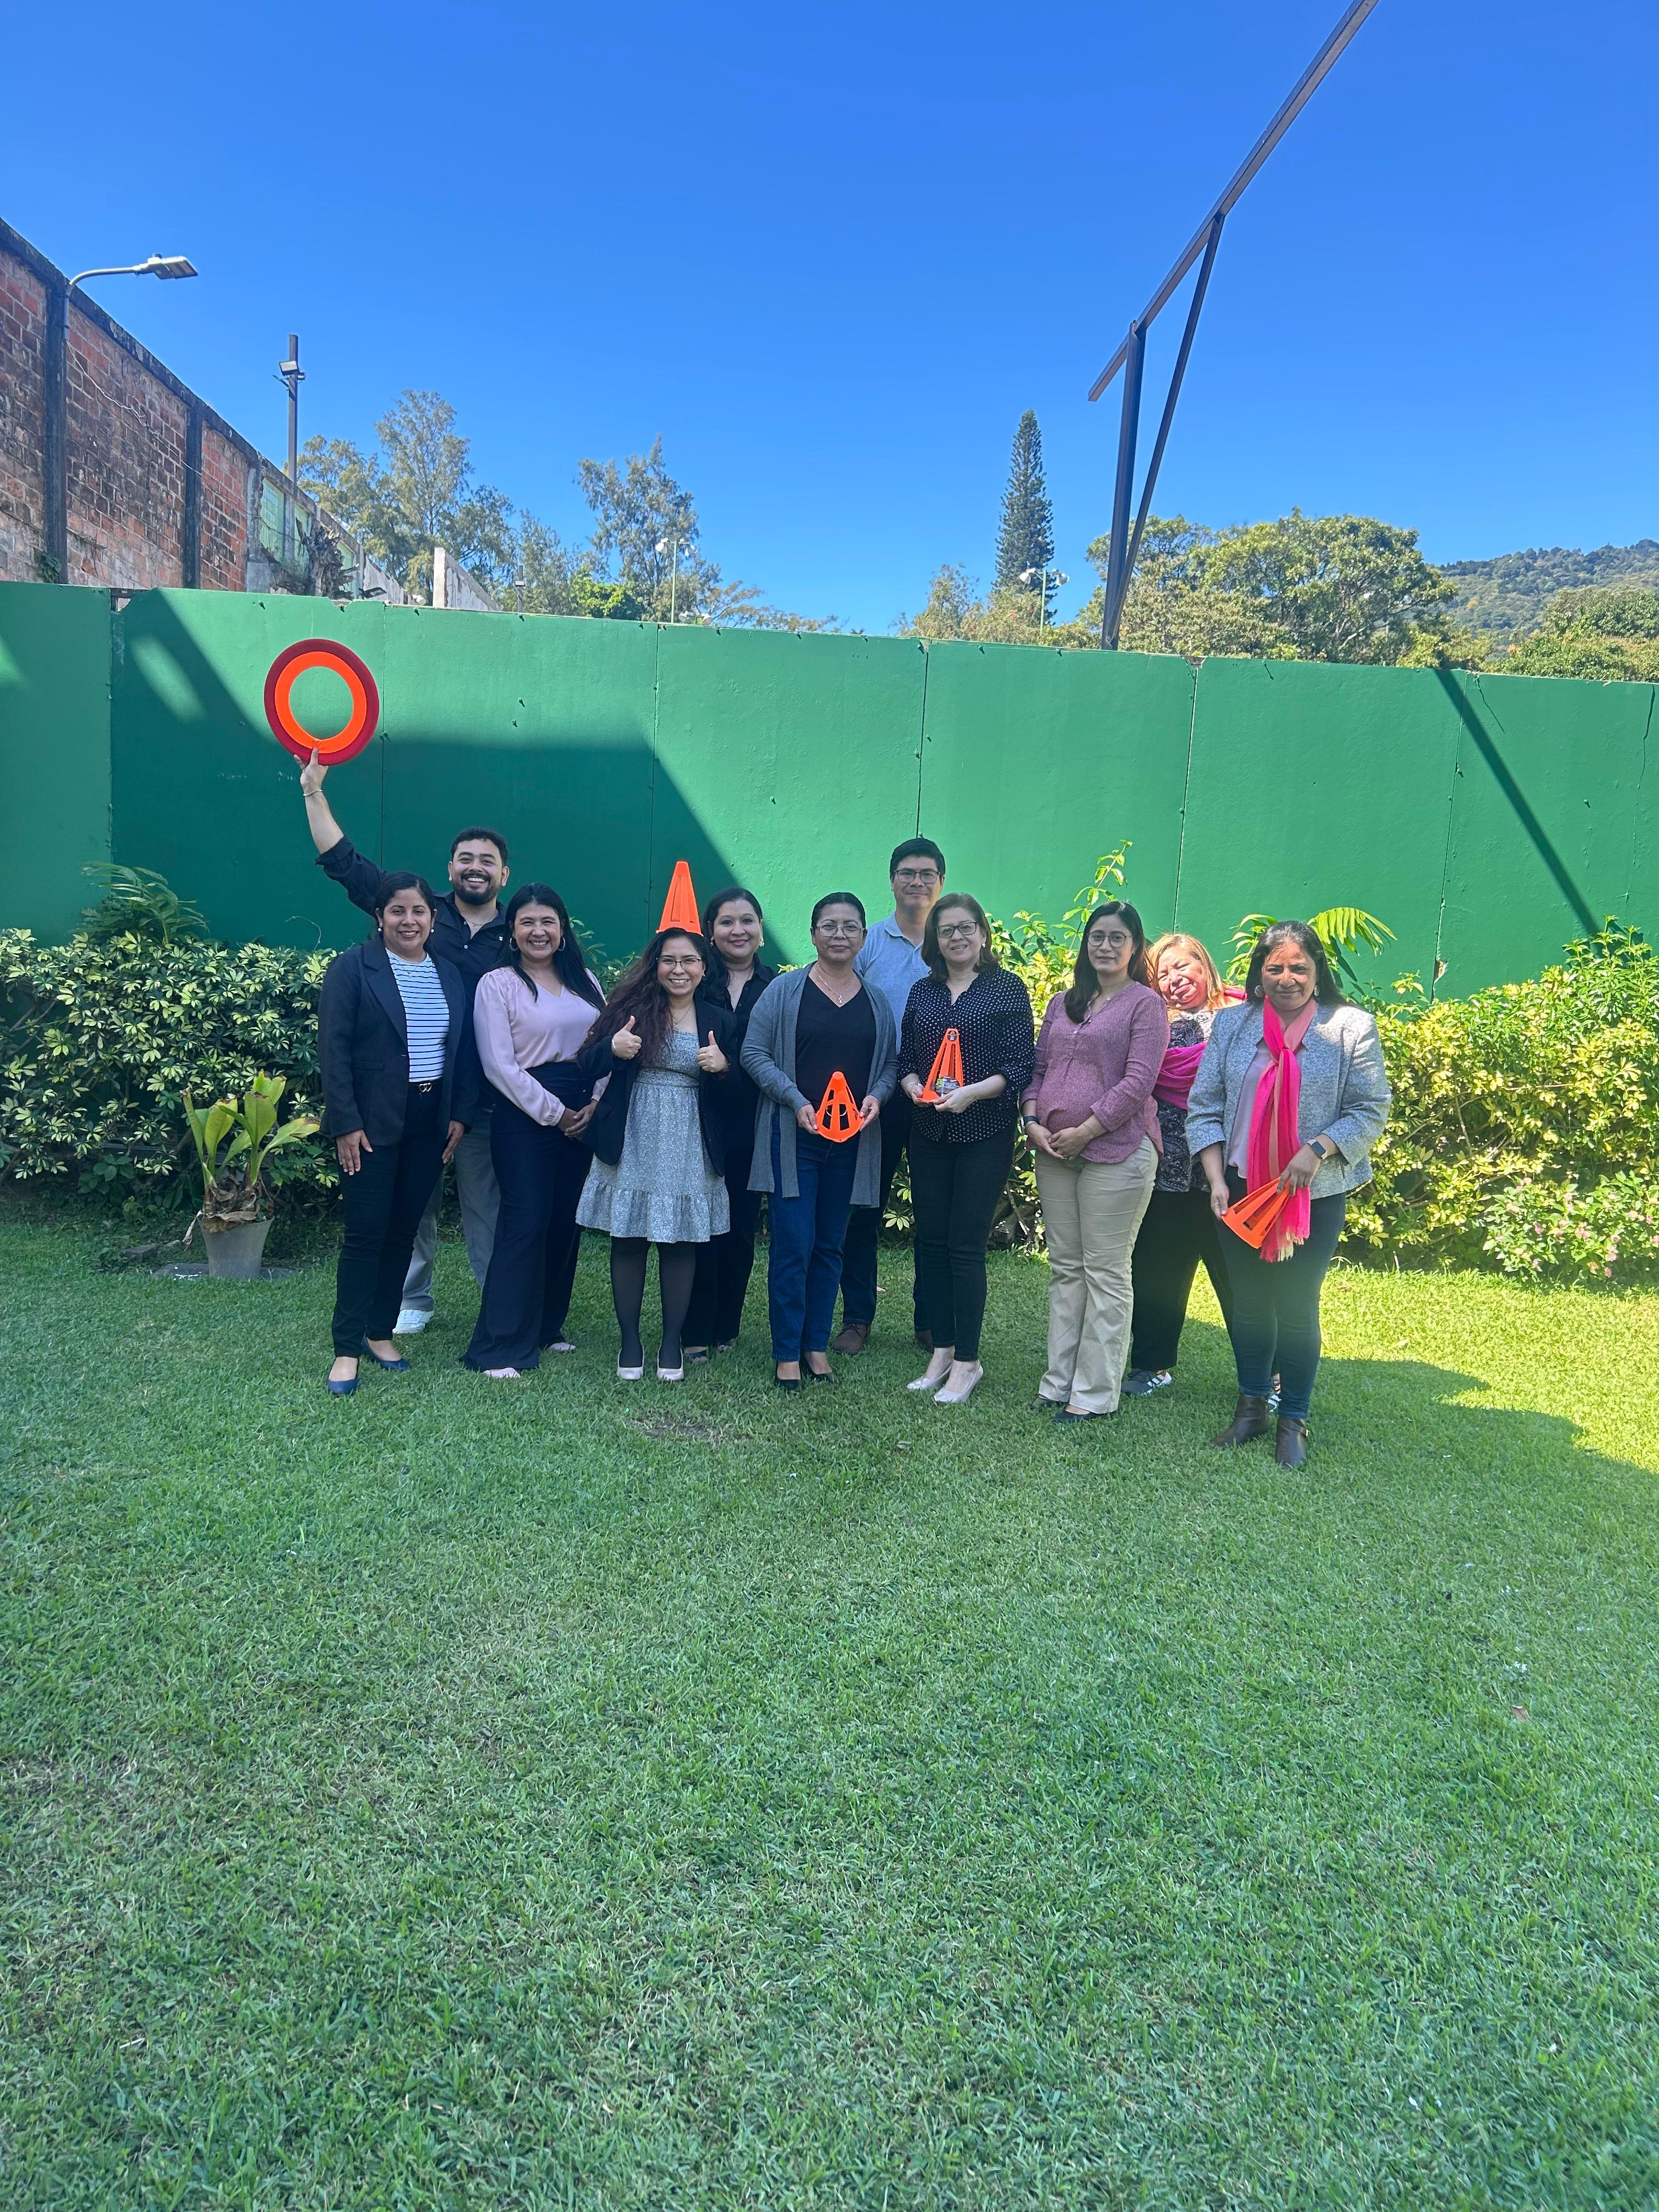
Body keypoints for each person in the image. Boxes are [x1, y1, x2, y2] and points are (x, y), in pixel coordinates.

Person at [299, 747, 510, 1335]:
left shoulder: (518, 928)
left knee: (486, 1207)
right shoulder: (415, 910)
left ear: (503, 874)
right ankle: (410, 1299)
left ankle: (498, 1304)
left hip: (482, 1097)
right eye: (465, 859)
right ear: (450, 869)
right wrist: (313, 790)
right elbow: (344, 863)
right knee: (410, 1207)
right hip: (406, 1100)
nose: (475, 868)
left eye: (487, 861)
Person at [1188, 919, 1391, 1468]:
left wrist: (1318, 1148)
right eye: (1274, 967)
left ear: (1317, 971)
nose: (1287, 978)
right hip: (1239, 1190)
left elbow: (1370, 1108)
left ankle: (1294, 1419)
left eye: (1299, 967)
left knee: (1297, 1306)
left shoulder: (1349, 1027)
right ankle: (1251, 1408)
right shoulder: (1232, 1024)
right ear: (1259, 973)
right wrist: (1215, 1180)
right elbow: (1204, 1106)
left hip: (1312, 1194)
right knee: (1250, 1304)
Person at [317, 873, 473, 1396]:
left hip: (430, 1121)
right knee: (366, 1234)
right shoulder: (352, 968)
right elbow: (334, 1051)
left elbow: (460, 1051)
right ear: (379, 917)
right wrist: (346, 1123)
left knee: (404, 1231)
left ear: (434, 918)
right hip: (371, 1122)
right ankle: (346, 1348)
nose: (409, 921)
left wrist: (459, 1114)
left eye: (419, 911)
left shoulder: (448, 973)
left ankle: (379, 1333)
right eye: (398, 911)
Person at [574, 929, 743, 1381]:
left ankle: (671, 1343)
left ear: (704, 968)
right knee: (628, 1239)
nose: (678, 970)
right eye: (669, 960)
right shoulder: (631, 1009)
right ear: (656, 965)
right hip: (634, 1134)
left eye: (689, 961)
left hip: (691, 1140)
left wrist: (724, 1068)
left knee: (680, 1243)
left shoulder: (718, 1019)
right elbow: (585, 1064)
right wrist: (613, 1050)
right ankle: (630, 1342)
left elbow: (741, 1093)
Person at [744, 894, 898, 1389]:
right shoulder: (785, 991)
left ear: (864, 938)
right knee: (794, 1244)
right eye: (828, 926)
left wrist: (877, 1096)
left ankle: (815, 1345)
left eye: (850, 927)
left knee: (831, 1245)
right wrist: (794, 1099)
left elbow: (891, 1064)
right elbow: (753, 1052)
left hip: (850, 1144)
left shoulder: (876, 1001)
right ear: (813, 934)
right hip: (794, 1140)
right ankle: (786, 1351)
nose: (839, 935)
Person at [1021, 900, 1166, 1423]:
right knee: (1066, 1269)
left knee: (1105, 1271)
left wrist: (1087, 1129)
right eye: (1097, 936)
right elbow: (1038, 1069)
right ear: (1086, 944)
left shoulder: (1146, 1005)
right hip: (1053, 1151)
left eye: (1117, 938)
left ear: (1135, 946)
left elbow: (1139, 1080)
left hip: (1118, 1151)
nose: (1105, 946)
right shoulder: (1063, 1002)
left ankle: (1093, 1394)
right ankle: (1057, 1383)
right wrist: (1032, 1120)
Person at [462, 885, 608, 1379]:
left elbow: (605, 1046)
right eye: (527, 922)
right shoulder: (498, 984)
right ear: (512, 930)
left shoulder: (586, 980)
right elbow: (499, 1066)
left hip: (583, 1113)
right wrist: (557, 1113)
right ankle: (499, 1346)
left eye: (548, 922)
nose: (538, 931)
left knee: (564, 1223)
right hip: (525, 1116)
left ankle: (547, 1327)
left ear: (563, 930)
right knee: (524, 1224)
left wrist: (595, 1104)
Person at [898, 894, 1035, 1406]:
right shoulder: (923, 991)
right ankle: (942, 1350)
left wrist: (972, 1093)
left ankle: (968, 1361)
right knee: (931, 1242)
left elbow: (1020, 1065)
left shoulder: (1006, 988)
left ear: (982, 933)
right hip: (929, 1132)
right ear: (935, 940)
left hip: (984, 1133)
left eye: (965, 927)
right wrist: (913, 1085)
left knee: (965, 1246)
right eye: (946, 930)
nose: (956, 937)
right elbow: (906, 1058)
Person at [833, 836, 946, 1355]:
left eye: (926, 874)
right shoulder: (869, 943)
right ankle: (857, 1318)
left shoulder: (953, 940)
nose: (916, 882)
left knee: (934, 1211)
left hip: (939, 1096)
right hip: (875, 1094)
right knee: (863, 1208)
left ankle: (931, 1320)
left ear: (940, 882)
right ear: (893, 880)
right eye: (907, 873)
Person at [1122, 932, 1235, 1396]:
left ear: (1205, 966)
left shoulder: (1240, 1019)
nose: (1174, 979)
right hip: (1165, 1167)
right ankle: (1151, 1365)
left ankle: (1268, 1374)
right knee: (1157, 1271)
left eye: (1182, 966)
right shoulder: (1148, 1021)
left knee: (1239, 1275)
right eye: (1162, 973)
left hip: (1228, 1171)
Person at [684, 886, 777, 1360]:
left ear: (761, 929)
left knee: (739, 1229)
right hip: (693, 1119)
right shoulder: (694, 978)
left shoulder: (778, 987)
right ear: (710, 931)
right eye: (726, 922)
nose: (737, 930)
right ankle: (693, 1327)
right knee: (696, 1227)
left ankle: (726, 1327)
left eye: (747, 921)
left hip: (753, 1124)